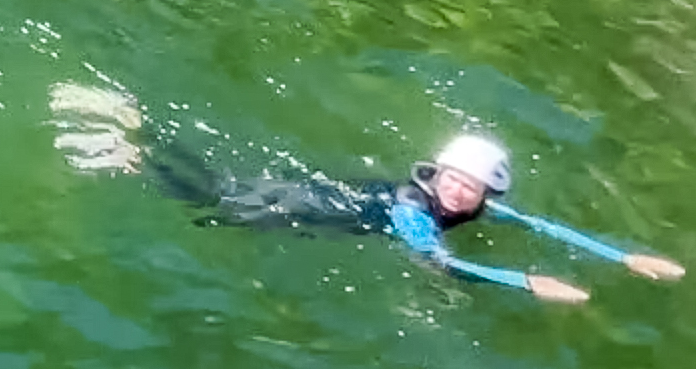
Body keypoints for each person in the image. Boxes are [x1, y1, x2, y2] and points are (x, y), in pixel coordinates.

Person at [51, 82, 686, 302]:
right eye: (457, 183)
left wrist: (624, 258)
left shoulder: (477, 203)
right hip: (322, 207)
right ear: (439, 176)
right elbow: (442, 262)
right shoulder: (417, 213)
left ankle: (136, 130)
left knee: (221, 188)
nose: (463, 197)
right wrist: (525, 283)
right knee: (214, 201)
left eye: (474, 189)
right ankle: (132, 149)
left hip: (337, 202)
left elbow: (547, 229)